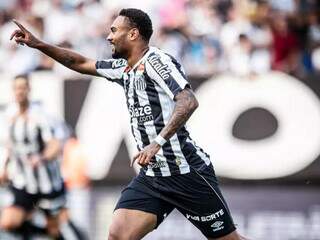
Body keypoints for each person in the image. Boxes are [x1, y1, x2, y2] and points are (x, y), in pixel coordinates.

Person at [10, 8, 246, 240]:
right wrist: (38, 44)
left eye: (114, 30)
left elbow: (188, 101)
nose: (108, 36)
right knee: (118, 234)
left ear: (133, 34)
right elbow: (78, 62)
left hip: (186, 171)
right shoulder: (123, 69)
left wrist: (156, 143)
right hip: (154, 175)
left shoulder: (156, 61)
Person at [0, 74, 84, 240]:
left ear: (29, 89)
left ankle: (63, 233)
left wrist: (42, 158)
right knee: (9, 222)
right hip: (23, 182)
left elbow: (54, 145)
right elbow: (10, 146)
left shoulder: (41, 116)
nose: (20, 92)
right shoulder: (10, 115)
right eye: (17, 88)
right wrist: (4, 168)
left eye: (23, 87)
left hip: (47, 184)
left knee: (55, 228)